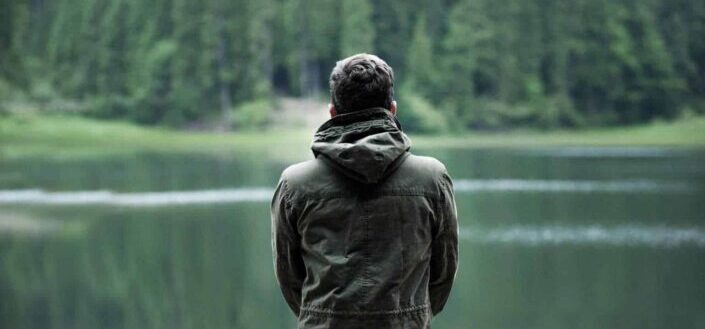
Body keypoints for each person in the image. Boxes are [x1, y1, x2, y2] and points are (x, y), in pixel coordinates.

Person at [271, 53, 458, 329]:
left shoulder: (294, 184)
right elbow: (443, 273)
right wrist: (411, 316)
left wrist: (324, 317)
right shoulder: (432, 179)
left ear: (332, 112)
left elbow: (289, 277)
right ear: (392, 109)